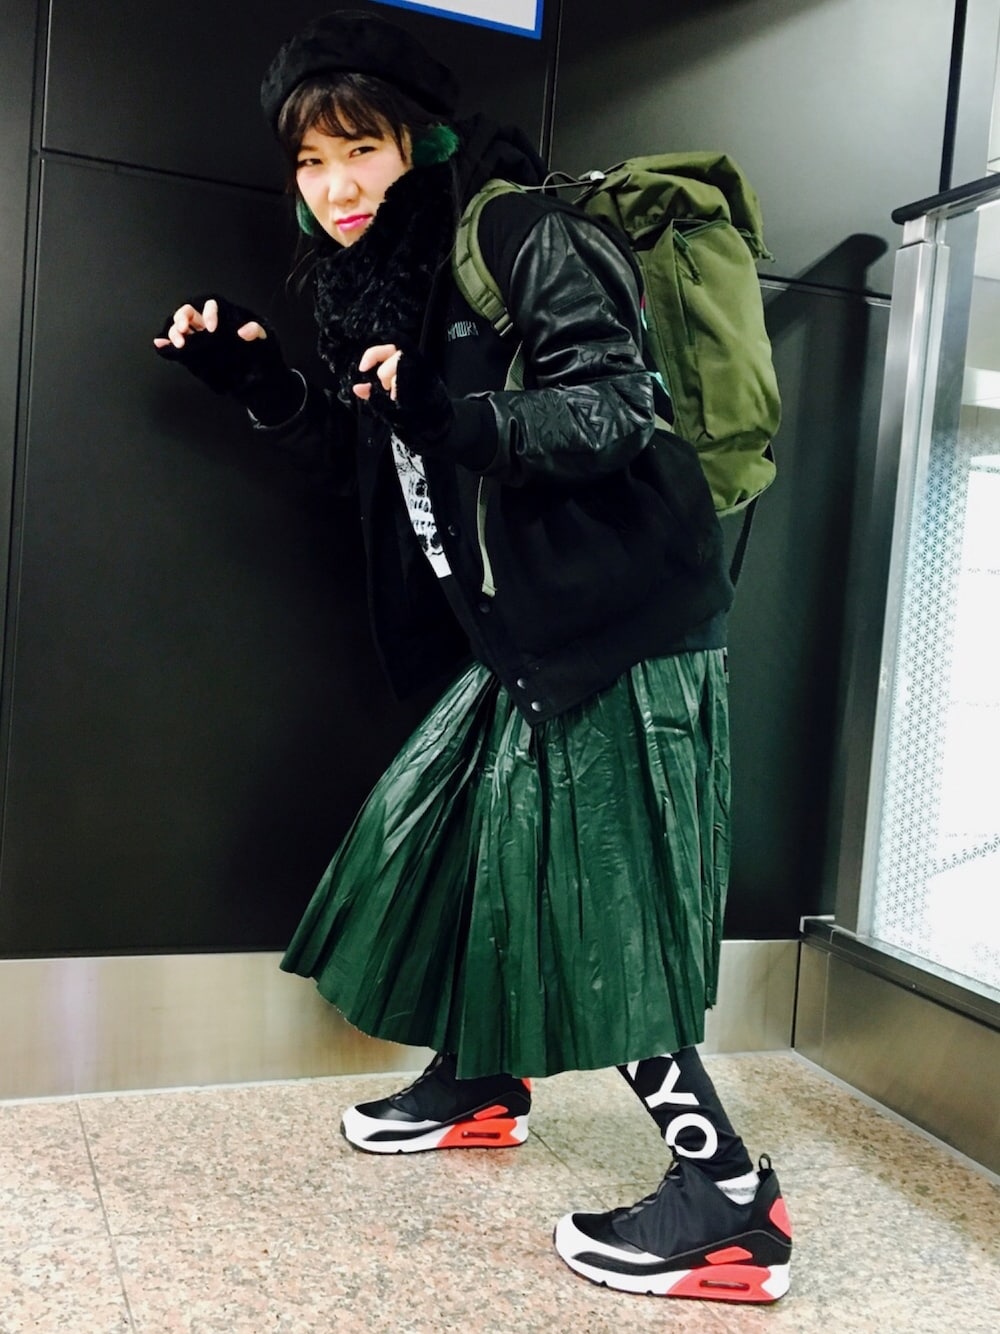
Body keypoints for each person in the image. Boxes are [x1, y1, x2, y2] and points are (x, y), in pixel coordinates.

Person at [153, 8, 792, 1305]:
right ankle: (483, 1081)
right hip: (515, 641)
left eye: (361, 151)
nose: (335, 187)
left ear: (420, 146)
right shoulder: (380, 285)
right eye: (311, 162)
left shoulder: (518, 236)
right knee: (446, 851)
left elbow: (616, 406)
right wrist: (254, 378)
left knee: (598, 908)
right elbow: (375, 463)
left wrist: (464, 414)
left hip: (618, 627)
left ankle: (730, 1202)